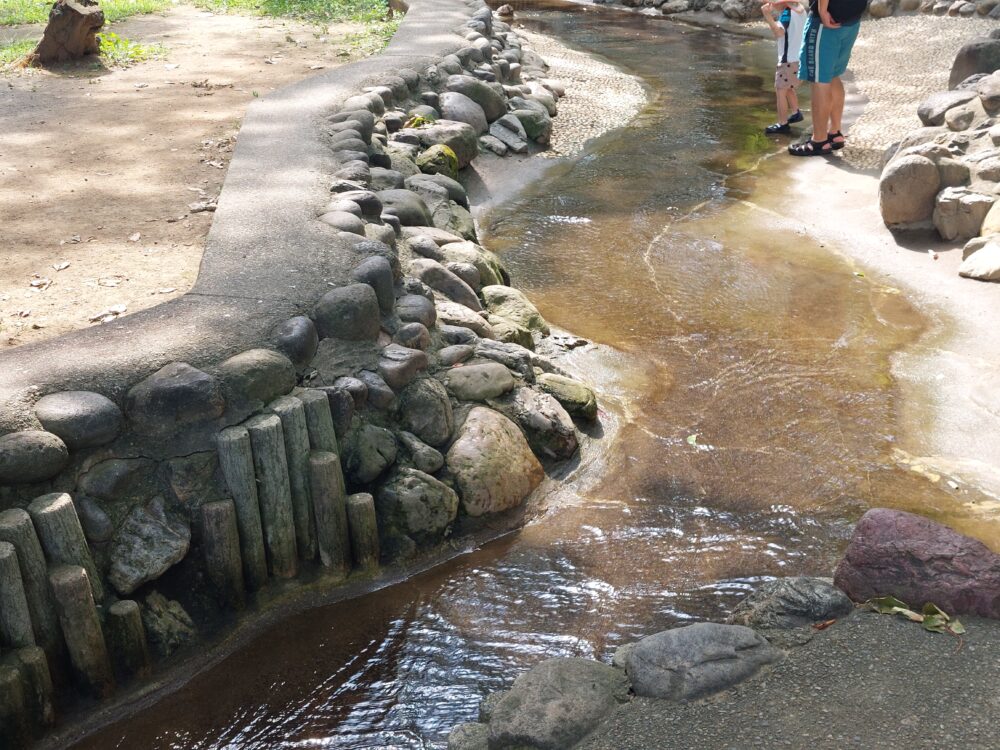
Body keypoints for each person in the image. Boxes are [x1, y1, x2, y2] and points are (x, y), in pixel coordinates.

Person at [788, 0, 868, 156]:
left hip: (827, 21)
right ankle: (835, 133)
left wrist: (823, 10)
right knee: (832, 75)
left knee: (820, 80)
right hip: (851, 18)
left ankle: (819, 141)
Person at [760, 0, 807, 135]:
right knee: (788, 87)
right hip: (798, 58)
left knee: (780, 90)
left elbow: (779, 33)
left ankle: (782, 124)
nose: (773, 6)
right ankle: (796, 112)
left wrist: (767, 15)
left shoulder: (787, 13)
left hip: (788, 60)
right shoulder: (800, 8)